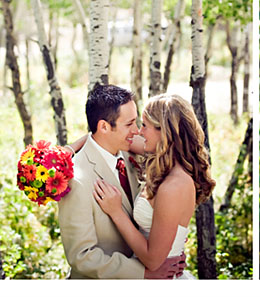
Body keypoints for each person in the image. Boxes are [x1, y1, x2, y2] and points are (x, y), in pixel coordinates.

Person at [58, 84, 186, 279]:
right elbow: (81, 257)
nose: (136, 131)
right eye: (129, 124)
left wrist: (169, 252)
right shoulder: (77, 180)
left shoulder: (129, 154)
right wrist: (141, 273)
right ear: (104, 127)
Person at [91, 93, 216, 280]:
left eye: (144, 126)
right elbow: (105, 136)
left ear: (164, 132)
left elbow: (152, 260)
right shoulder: (166, 158)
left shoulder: (174, 185)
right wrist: (68, 151)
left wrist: (116, 212)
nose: (139, 132)